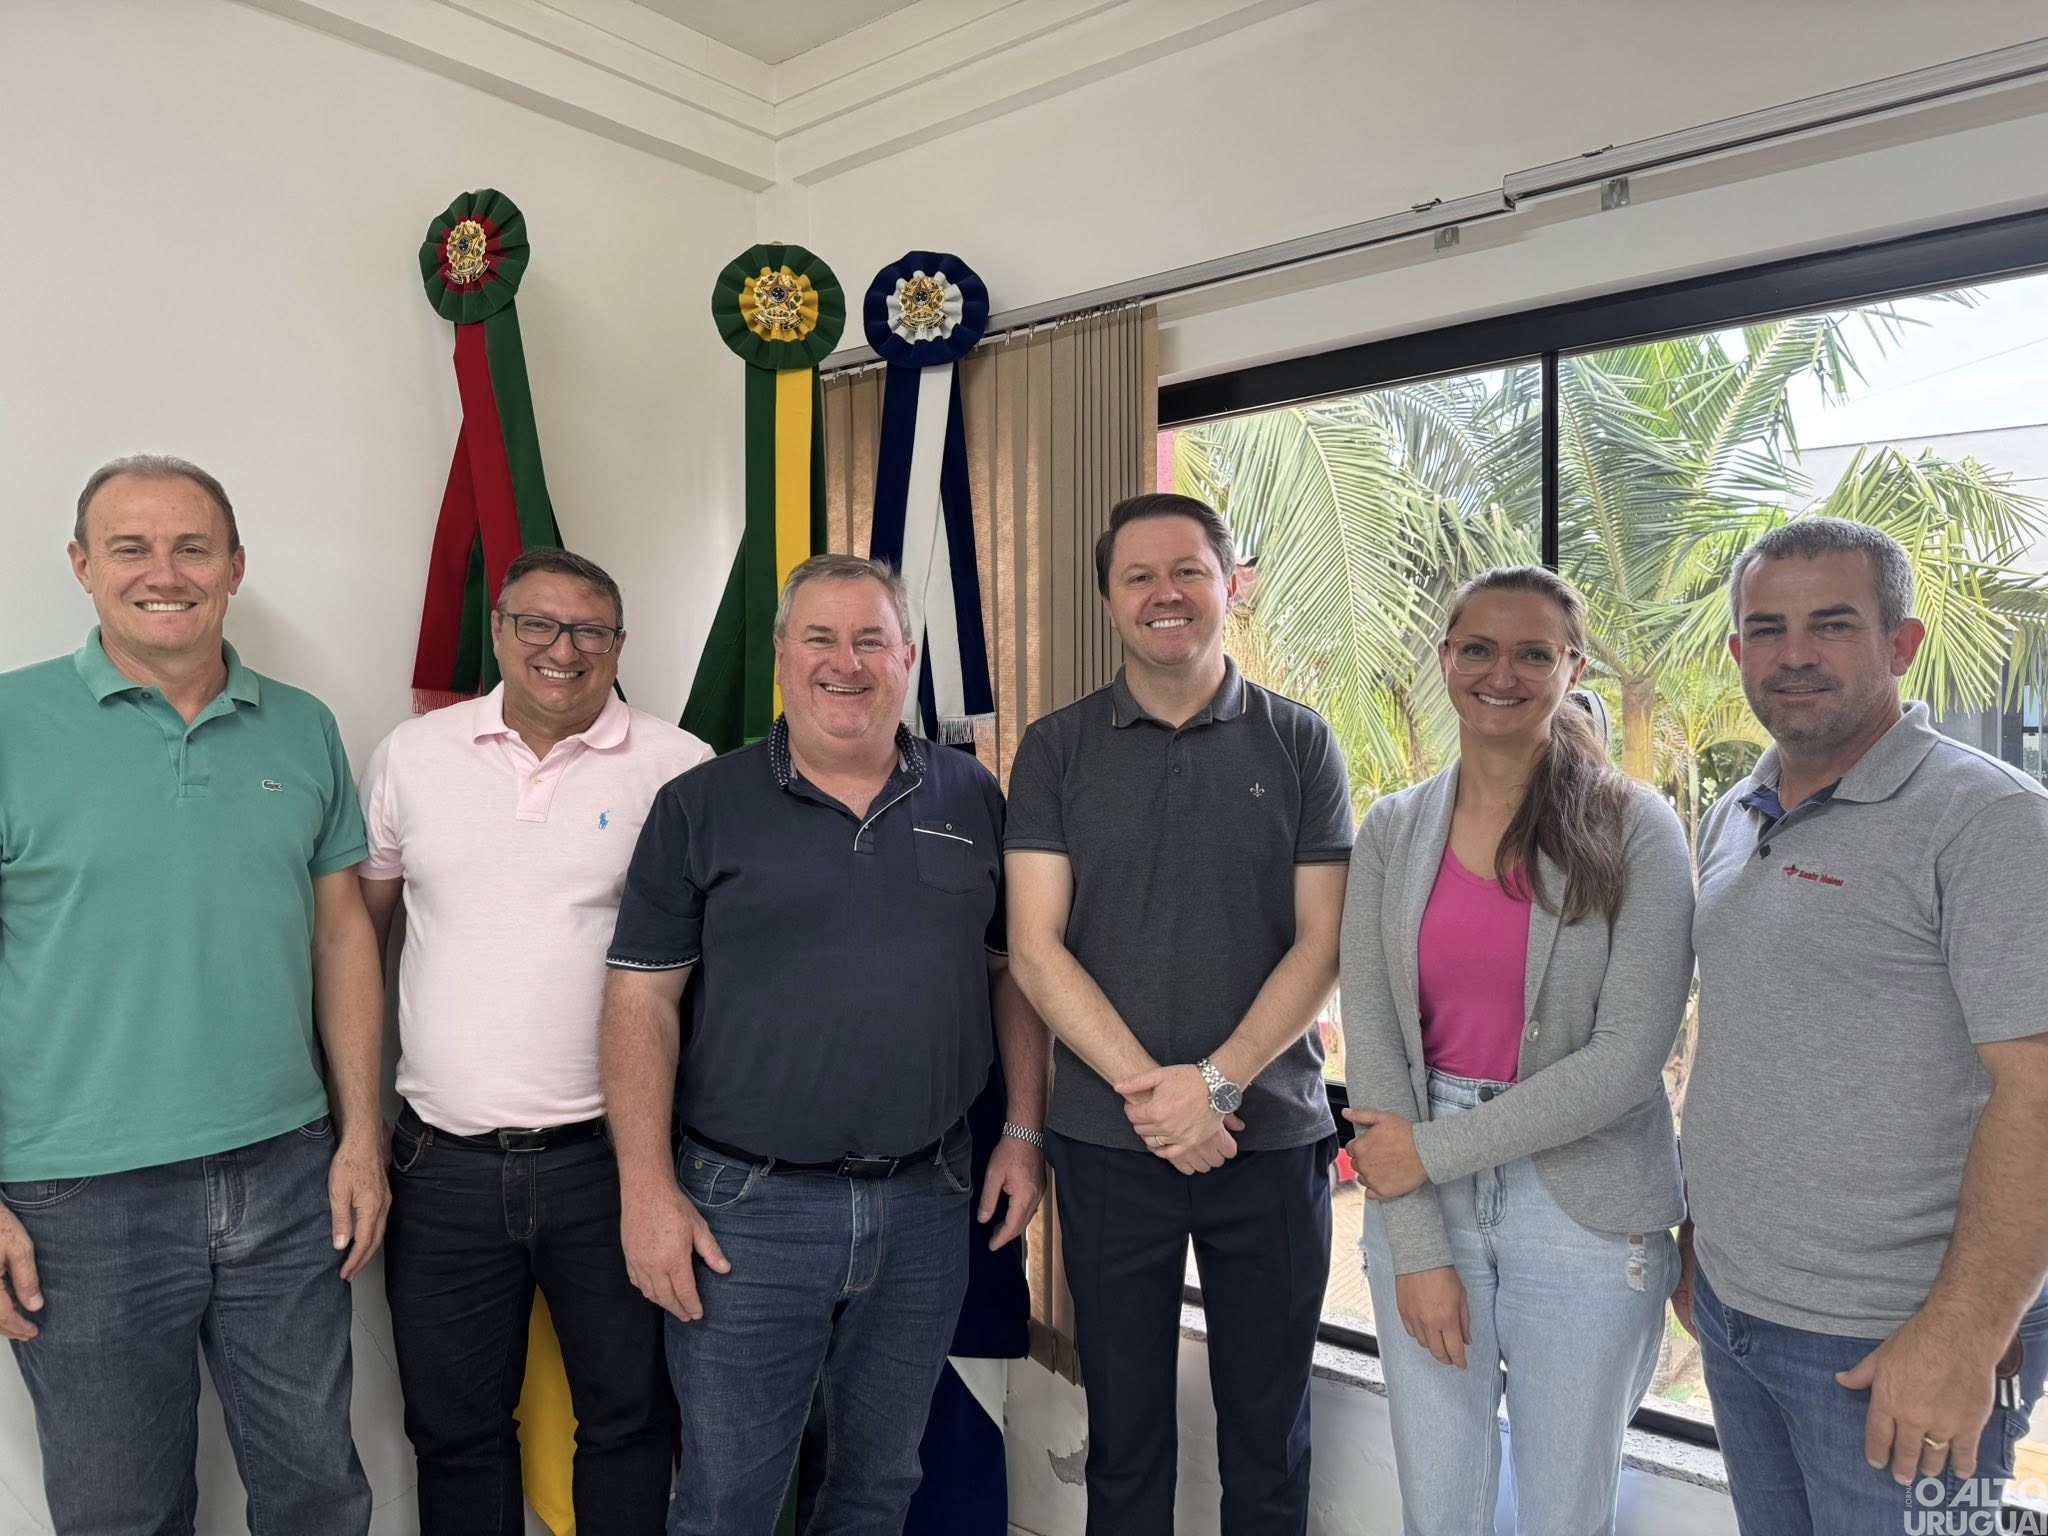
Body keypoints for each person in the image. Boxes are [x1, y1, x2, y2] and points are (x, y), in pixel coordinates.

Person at [600, 553, 1049, 1536]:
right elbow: (640, 1005)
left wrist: (1022, 1127)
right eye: (818, 639)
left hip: (927, 1204)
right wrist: (644, 1190)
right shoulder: (697, 806)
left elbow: (1010, 971)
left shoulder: (972, 797)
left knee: (879, 1486)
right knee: (726, 1500)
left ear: (907, 658)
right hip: (745, 1213)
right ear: (780, 661)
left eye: (868, 641)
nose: (843, 663)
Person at [0, 454, 384, 1534]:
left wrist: (359, 1137)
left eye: (191, 547)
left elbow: (341, 933)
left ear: (233, 567)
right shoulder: (9, 723)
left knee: (318, 1493)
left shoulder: (302, 726)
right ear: (81, 566)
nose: (161, 572)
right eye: (129, 547)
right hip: (75, 1198)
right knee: (121, 1513)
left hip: (285, 1171)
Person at [1681, 517, 2048, 1534]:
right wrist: (1697, 1238)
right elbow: (1748, 1036)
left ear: (1900, 644)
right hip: (1732, 1310)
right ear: (1735, 653)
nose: (1792, 654)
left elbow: (2038, 1093)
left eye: (1830, 625)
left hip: (1893, 1342)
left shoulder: (1988, 821)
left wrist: (1963, 1336)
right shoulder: (1734, 809)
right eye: (1765, 629)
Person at [1004, 492, 1351, 1535]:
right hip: (1109, 1148)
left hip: (1270, 1141)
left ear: (1228, 584)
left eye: (1188, 572)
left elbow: (1320, 944)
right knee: (1124, 1441)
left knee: (1267, 1439)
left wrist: (1211, 1086)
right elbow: (1032, 945)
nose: (1165, 595)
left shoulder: (1299, 741)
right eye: (1138, 577)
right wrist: (1153, 1098)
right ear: (1107, 600)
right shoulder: (1055, 749)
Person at [358, 547, 711, 1533]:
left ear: (619, 646)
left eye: (590, 631)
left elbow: (718, 966)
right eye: (539, 625)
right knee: (455, 1432)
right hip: (442, 1169)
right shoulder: (412, 755)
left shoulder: (678, 766)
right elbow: (359, 940)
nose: (564, 650)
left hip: (612, 1164)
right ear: (500, 630)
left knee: (631, 1420)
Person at [1341, 565, 1693, 1534]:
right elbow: (1371, 1031)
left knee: (1559, 1510)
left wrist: (1428, 1154)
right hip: (1421, 1187)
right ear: (1444, 659)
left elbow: (1627, 1059)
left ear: (1568, 665)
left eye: (1531, 652)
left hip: (1580, 1200)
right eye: (1477, 649)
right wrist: (1414, 1236)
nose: (1501, 672)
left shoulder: (1635, 828)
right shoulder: (1392, 828)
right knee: (1438, 1504)